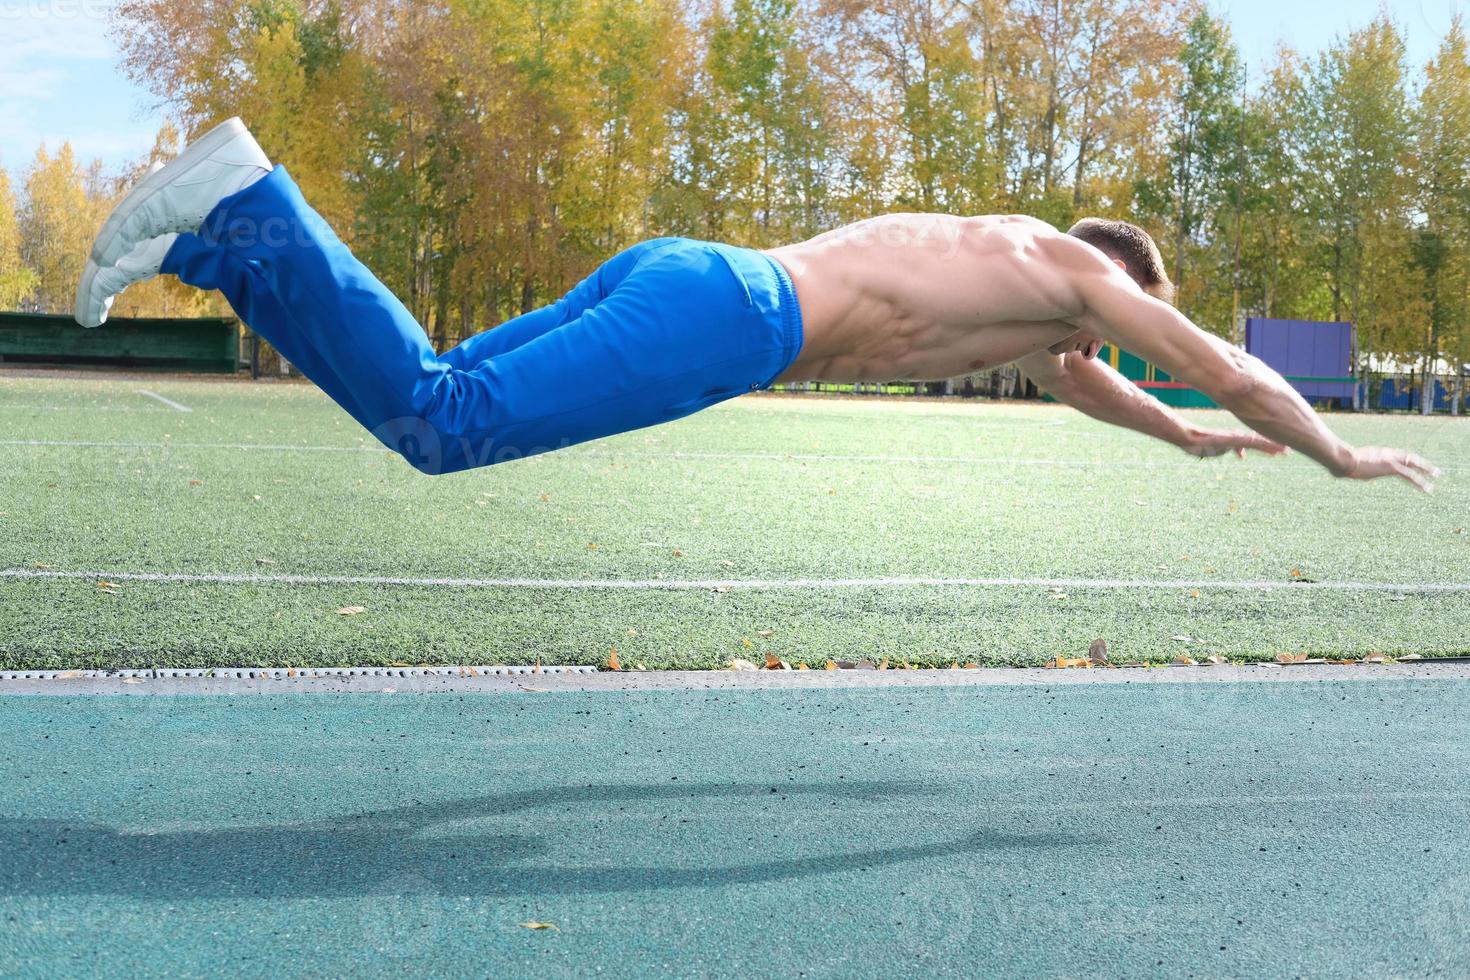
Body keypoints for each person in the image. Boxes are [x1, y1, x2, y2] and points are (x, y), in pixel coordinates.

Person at [79, 118, 1439, 490]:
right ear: (1122, 279)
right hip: (735, 317)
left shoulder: (1035, 320)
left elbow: (1113, 391)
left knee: (431, 390)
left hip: (701, 280)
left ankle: (217, 244)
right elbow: (1217, 362)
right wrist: (1335, 449)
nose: (1112, 347)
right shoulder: (1068, 273)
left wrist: (1194, 440)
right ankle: (248, 203)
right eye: (1138, 319)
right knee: (444, 424)